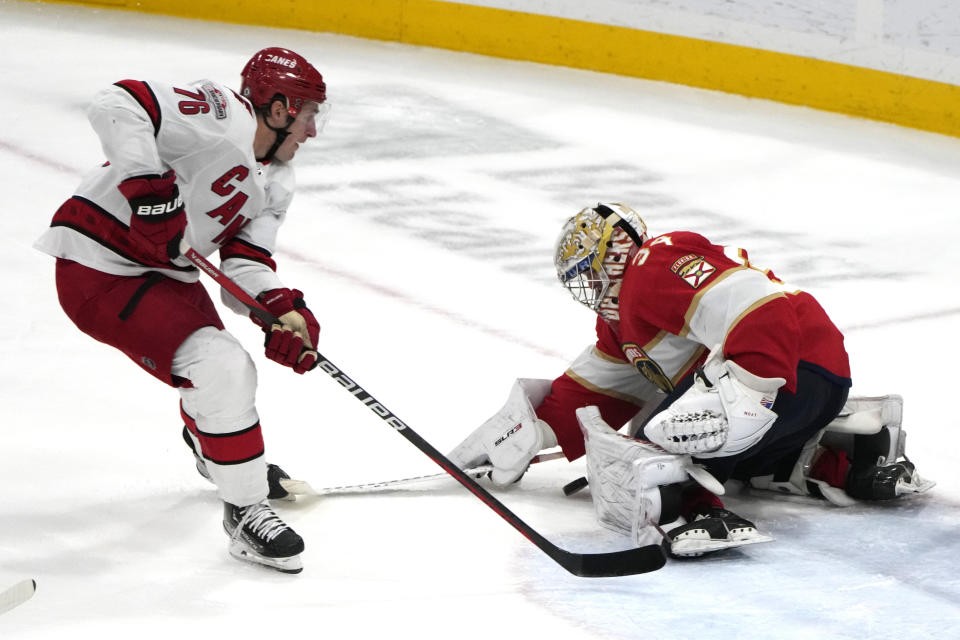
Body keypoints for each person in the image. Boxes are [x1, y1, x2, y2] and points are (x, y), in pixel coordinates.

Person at [449, 202, 933, 557]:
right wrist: (522, 434)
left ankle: (698, 507)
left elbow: (755, 302)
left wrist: (751, 390)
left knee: (643, 445)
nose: (589, 290)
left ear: (612, 257)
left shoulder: (655, 262)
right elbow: (596, 391)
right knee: (673, 425)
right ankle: (845, 463)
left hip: (787, 369)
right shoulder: (622, 324)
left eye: (588, 275)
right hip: (811, 383)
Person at [34, 47, 330, 574]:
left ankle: (212, 445)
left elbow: (244, 262)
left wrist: (280, 310)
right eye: (308, 115)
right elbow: (119, 102)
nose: (311, 132)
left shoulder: (278, 181)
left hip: (166, 275)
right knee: (223, 369)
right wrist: (146, 189)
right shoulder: (222, 113)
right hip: (98, 266)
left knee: (220, 377)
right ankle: (243, 511)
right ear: (280, 108)